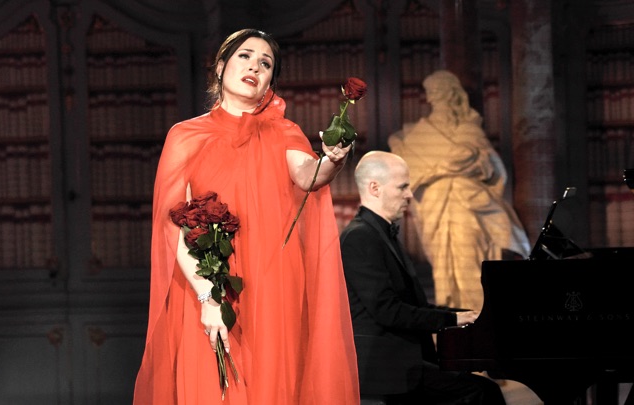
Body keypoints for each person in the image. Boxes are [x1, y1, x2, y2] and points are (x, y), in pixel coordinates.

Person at [133, 28, 359, 404]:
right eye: (245, 56)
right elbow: (175, 226)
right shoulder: (185, 136)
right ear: (221, 66)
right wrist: (207, 297)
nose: (255, 66)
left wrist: (333, 159)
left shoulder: (284, 131)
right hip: (209, 286)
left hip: (274, 285)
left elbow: (310, 176)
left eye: (265, 64)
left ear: (270, 82)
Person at [340, 151, 506, 405]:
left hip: (404, 359)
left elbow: (413, 305)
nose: (410, 194)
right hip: (385, 366)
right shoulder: (360, 237)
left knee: (480, 388)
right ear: (375, 188)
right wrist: (453, 319)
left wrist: (461, 315)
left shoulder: (380, 233)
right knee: (482, 392)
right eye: (403, 186)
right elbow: (388, 311)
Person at [389, 70, 530, 312]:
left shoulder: (469, 129)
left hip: (466, 202)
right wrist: (452, 164)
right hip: (436, 204)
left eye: (438, 91)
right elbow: (413, 165)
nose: (433, 97)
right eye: (430, 93)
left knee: (469, 259)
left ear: (452, 94)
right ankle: (454, 315)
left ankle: (476, 314)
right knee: (444, 263)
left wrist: (445, 167)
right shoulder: (415, 135)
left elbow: (489, 165)